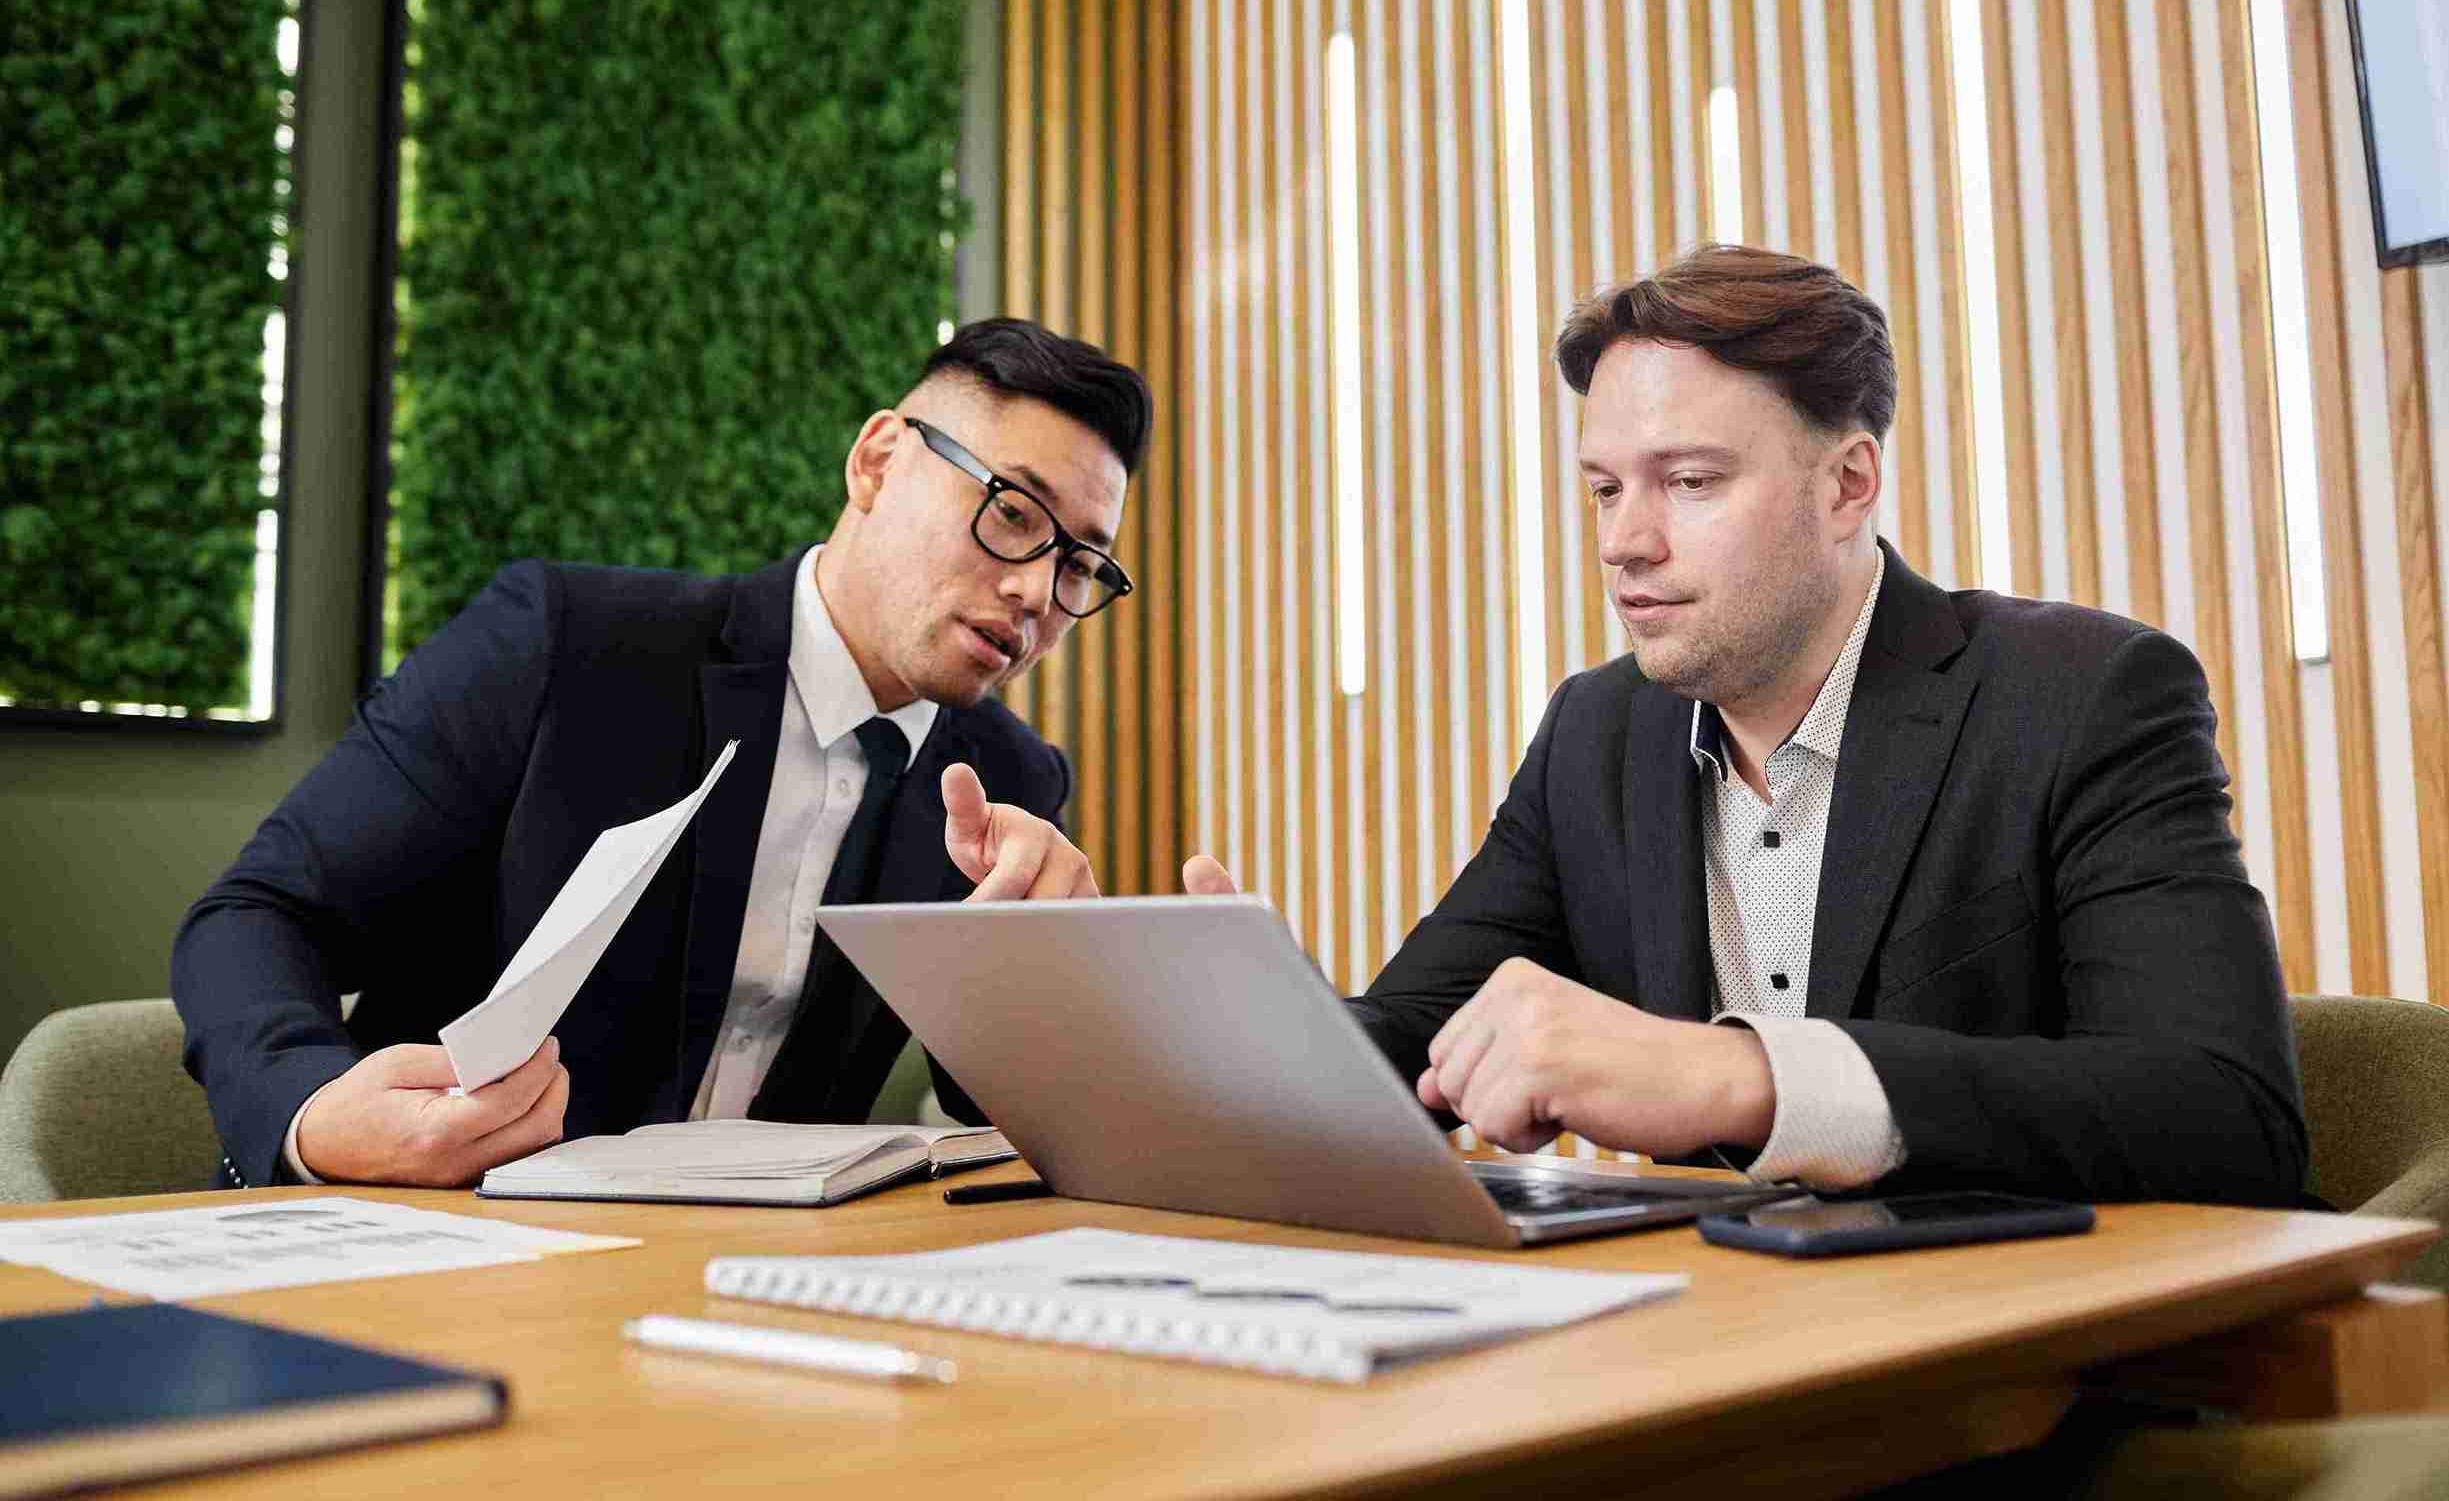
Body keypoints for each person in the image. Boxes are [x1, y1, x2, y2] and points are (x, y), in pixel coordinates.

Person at [1187, 245, 2305, 1205]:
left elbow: (2220, 1115)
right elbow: (1423, 1041)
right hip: (1730, 1355)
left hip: (2028, 1375)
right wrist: (1186, 1017)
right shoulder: (1595, 733)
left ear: (1847, 485)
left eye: (1686, 481)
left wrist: (1746, 1077)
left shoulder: (2084, 692)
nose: (1625, 542)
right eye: (1603, 490)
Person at [174, 318, 1144, 1188]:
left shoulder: (1008, 784)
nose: (1035, 592)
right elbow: (256, 915)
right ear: (878, 462)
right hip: (444, 1237)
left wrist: (1056, 987)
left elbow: (997, 1110)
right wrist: (310, 1114)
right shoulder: (567, 645)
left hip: (750, 1299)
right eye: (1014, 512)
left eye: (1080, 564)